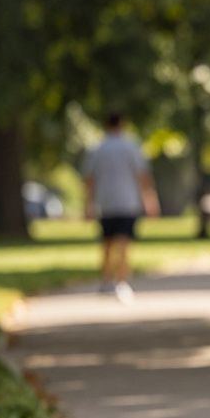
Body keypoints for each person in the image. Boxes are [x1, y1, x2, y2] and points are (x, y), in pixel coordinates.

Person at [83, 113, 160, 303]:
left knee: (107, 244)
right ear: (123, 125)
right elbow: (143, 176)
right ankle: (122, 282)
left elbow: (90, 179)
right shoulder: (131, 146)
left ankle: (106, 279)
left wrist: (88, 204)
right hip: (127, 201)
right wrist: (150, 201)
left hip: (105, 202)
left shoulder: (97, 148)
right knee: (124, 244)